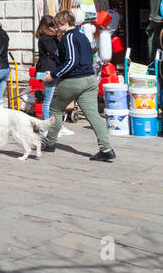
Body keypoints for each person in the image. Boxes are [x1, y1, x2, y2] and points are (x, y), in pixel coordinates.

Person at [42, 10, 115, 162]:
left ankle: (49, 143)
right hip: (90, 79)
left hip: (74, 80)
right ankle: (106, 149)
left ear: (65, 24)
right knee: (93, 115)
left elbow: (71, 61)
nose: (56, 28)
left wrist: (53, 75)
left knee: (55, 109)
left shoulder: (69, 37)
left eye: (58, 25)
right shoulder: (82, 36)